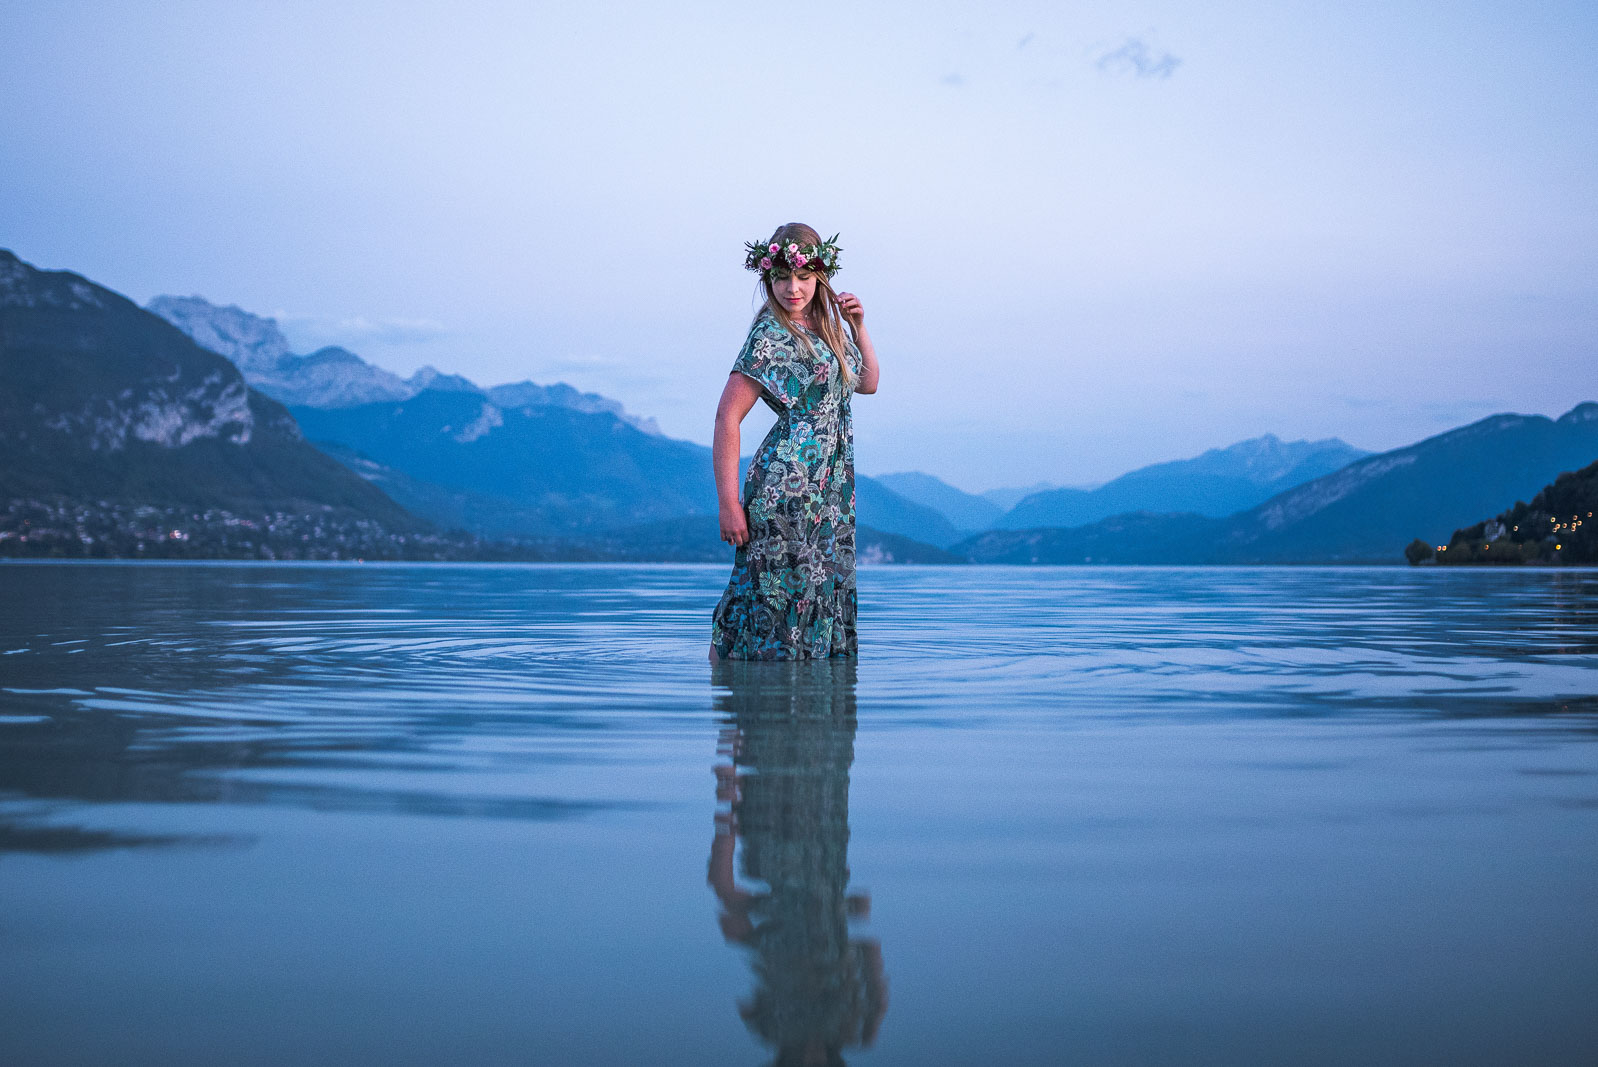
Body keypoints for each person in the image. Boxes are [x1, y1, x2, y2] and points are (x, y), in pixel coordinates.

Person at [709, 223, 881, 661]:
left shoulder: (826, 327)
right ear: (767, 278)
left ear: (820, 277)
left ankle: (788, 717)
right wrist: (729, 503)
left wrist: (858, 326)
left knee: (810, 599)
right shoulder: (770, 335)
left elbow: (868, 384)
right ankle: (747, 714)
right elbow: (728, 416)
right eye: (782, 277)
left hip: (829, 493)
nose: (793, 288)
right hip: (786, 489)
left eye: (803, 277)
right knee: (771, 600)